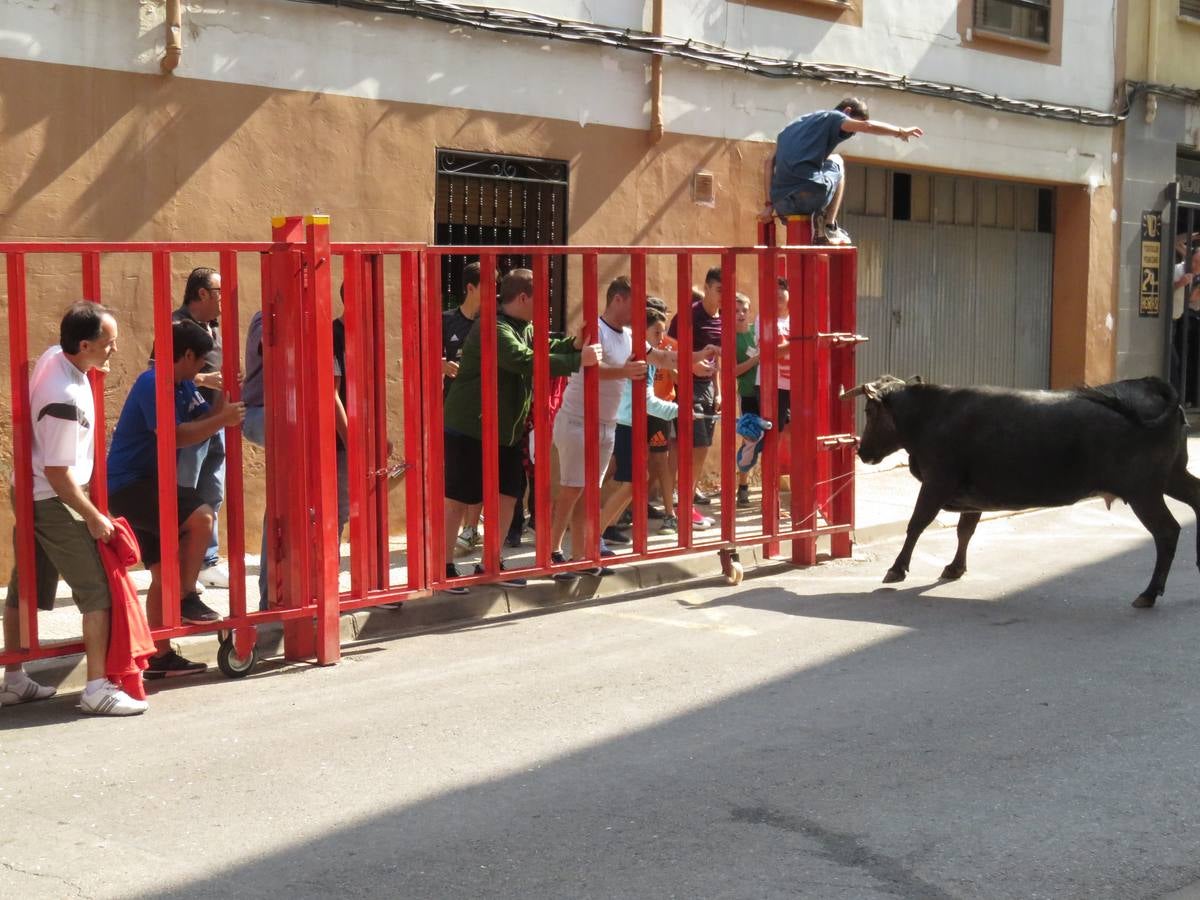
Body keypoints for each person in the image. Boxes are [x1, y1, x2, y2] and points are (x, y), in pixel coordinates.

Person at [2, 302, 147, 716]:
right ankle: (96, 688)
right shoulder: (65, 399)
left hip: (33, 489)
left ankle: (13, 680)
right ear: (84, 344)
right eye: (108, 343)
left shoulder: (55, 357)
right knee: (97, 591)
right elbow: (59, 474)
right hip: (52, 497)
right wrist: (94, 515)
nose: (114, 349)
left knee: (26, 585)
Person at [441, 268, 600, 594]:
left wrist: (572, 343)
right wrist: (577, 359)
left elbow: (545, 341)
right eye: (542, 298)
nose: (547, 306)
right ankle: (443, 570)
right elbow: (524, 358)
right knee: (459, 498)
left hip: (504, 429)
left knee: (508, 496)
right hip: (470, 426)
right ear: (525, 297)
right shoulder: (493, 327)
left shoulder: (522, 326)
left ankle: (491, 562)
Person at [107, 320, 245, 677]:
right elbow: (175, 436)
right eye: (200, 362)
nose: (202, 369)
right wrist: (222, 419)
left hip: (147, 483)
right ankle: (186, 598)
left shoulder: (182, 384)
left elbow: (206, 419)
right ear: (185, 355)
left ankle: (159, 655)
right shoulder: (152, 383)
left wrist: (223, 403)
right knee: (202, 518)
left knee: (163, 571)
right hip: (128, 486)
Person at [762, 97, 923, 245]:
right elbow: (868, 126)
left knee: (826, 161)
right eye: (853, 129)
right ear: (847, 112)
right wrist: (900, 131)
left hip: (782, 204)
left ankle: (817, 222)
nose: (851, 133)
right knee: (837, 160)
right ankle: (829, 226)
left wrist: (769, 205)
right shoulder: (834, 117)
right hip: (809, 194)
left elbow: (769, 162)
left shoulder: (788, 130)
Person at [597, 305, 680, 543]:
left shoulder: (642, 355)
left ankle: (605, 526)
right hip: (624, 423)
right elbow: (647, 402)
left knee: (627, 478)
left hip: (625, 422)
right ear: (642, 333)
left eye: (663, 333)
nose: (661, 339)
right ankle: (597, 532)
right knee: (631, 480)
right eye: (656, 333)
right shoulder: (639, 356)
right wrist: (678, 411)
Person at [172, 267, 231, 589]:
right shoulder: (177, 326)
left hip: (214, 420)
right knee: (186, 492)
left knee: (213, 492)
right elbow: (159, 370)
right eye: (220, 291)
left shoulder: (216, 327)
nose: (225, 298)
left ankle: (206, 561)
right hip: (189, 424)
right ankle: (183, 563)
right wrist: (204, 379)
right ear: (203, 293)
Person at [667, 269, 724, 527]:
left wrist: (719, 389)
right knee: (686, 448)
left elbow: (717, 358)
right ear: (707, 287)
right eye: (719, 290)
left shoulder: (722, 319)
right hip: (684, 387)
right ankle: (679, 508)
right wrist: (692, 366)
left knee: (700, 448)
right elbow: (668, 353)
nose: (723, 297)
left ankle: (683, 505)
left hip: (708, 388)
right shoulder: (688, 316)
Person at [445, 263, 486, 556]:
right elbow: (424, 356)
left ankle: (472, 530)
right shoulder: (447, 321)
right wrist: (441, 365)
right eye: (488, 286)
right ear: (470, 288)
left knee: (481, 471)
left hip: (485, 408)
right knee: (457, 474)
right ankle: (457, 530)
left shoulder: (493, 323)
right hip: (453, 410)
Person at [733, 291, 760, 509]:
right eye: (735, 311)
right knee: (749, 438)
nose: (741, 314)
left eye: (744, 310)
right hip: (748, 392)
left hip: (769, 392)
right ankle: (742, 486)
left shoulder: (756, 332)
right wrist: (755, 359)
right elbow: (733, 371)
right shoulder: (730, 337)